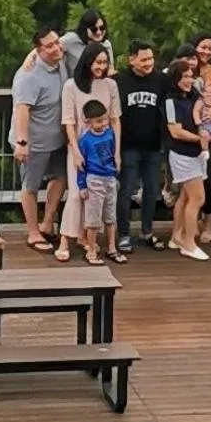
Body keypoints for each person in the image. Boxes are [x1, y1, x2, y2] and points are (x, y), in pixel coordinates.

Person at [58, 42, 123, 264]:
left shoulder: (110, 86)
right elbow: (68, 121)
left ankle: (88, 239)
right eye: (98, 62)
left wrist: (117, 152)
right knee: (77, 194)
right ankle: (65, 240)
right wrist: (76, 152)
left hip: (104, 150)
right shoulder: (71, 86)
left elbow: (115, 119)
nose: (101, 67)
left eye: (104, 63)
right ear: (88, 62)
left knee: (100, 197)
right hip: (81, 147)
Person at [10, 27, 67, 253]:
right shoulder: (29, 75)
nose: (56, 48)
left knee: (60, 177)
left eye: (57, 43)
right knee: (30, 186)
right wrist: (22, 143)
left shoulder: (61, 63)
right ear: (38, 49)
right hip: (34, 143)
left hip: (58, 139)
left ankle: (48, 221)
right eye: (49, 46)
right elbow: (22, 109)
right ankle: (33, 233)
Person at [114, 41, 167, 253]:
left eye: (151, 59)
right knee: (126, 190)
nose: (148, 63)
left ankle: (147, 231)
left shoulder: (160, 80)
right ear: (131, 59)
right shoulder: (119, 81)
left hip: (153, 145)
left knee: (152, 190)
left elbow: (183, 84)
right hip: (128, 146)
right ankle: (124, 234)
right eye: (144, 59)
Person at [163, 59, 209, 261]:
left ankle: (177, 235)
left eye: (191, 76)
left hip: (197, 152)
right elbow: (176, 131)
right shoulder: (170, 101)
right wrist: (200, 138)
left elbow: (206, 109)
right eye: (185, 77)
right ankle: (189, 243)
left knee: (186, 196)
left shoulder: (193, 95)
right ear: (176, 78)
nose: (189, 80)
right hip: (182, 153)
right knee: (198, 198)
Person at [76, 98, 120, 266]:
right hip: (94, 178)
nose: (103, 124)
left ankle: (111, 247)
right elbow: (81, 165)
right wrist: (82, 185)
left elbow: (113, 154)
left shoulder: (110, 135)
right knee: (93, 217)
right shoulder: (85, 140)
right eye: (98, 121)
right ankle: (92, 248)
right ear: (88, 122)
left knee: (110, 215)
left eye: (104, 119)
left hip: (110, 177)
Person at [21, 9, 113, 79]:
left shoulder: (106, 45)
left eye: (102, 28)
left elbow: (110, 69)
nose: (99, 32)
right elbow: (49, 45)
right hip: (76, 89)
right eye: (94, 29)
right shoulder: (72, 39)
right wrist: (29, 58)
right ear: (85, 28)